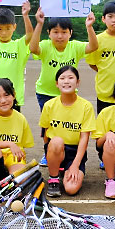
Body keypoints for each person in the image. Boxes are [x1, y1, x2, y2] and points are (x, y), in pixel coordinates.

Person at [30, 7, 98, 167]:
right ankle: (48, 152)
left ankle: (66, 151)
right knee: (48, 125)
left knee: (64, 123)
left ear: (70, 33)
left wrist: (89, 27)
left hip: (68, 95)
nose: (59, 36)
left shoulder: (75, 47)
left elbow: (93, 46)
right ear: (49, 33)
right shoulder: (46, 46)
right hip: (46, 93)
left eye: (63, 32)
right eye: (55, 32)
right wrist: (39, 24)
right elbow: (33, 48)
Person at [39, 66, 95, 197]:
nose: (66, 81)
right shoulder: (49, 105)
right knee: (56, 141)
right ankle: (53, 178)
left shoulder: (86, 106)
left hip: (75, 152)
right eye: (62, 78)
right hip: (57, 148)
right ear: (57, 84)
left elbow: (84, 139)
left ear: (78, 82)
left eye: (71, 78)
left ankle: (67, 169)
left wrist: (75, 165)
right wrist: (51, 155)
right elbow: (45, 134)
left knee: (71, 189)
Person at [0, 78, 34, 182]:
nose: (3, 100)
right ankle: (1, 180)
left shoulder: (20, 118)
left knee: (21, 180)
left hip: (12, 157)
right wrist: (10, 144)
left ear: (13, 95)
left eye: (7, 95)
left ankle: (7, 179)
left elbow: (24, 145)